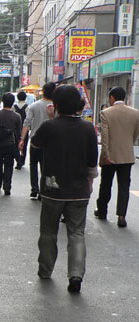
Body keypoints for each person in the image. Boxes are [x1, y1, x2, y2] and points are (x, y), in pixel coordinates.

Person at [31, 85, 98, 293]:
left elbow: (35, 144)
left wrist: (51, 118)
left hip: (53, 189)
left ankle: (45, 270)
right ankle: (76, 275)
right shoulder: (88, 128)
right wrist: (90, 180)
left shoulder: (50, 126)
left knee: (49, 232)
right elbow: (92, 160)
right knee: (76, 233)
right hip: (79, 190)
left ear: (56, 105)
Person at [94, 86, 139, 228]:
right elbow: (135, 133)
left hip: (111, 156)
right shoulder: (135, 113)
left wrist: (106, 153)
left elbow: (105, 136)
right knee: (124, 186)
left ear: (112, 97)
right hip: (127, 155)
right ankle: (121, 215)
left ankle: (102, 211)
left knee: (106, 184)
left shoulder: (106, 113)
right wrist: (127, 144)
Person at [20, 82, 55, 200]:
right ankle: (43, 190)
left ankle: (34, 189)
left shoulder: (34, 106)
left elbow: (27, 123)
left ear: (43, 92)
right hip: (50, 143)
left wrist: (22, 139)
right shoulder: (57, 106)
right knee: (45, 167)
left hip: (35, 141)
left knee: (33, 165)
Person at [0, 93, 22, 195]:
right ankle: (7, 186)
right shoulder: (17, 116)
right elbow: (18, 132)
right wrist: (19, 144)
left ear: (3, 102)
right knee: (9, 165)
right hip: (10, 144)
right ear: (13, 102)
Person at [13, 91, 29, 169]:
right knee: (24, 145)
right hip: (24, 129)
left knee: (16, 145)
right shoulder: (27, 107)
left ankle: (18, 161)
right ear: (25, 98)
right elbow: (29, 119)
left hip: (15, 129)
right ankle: (22, 160)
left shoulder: (14, 106)